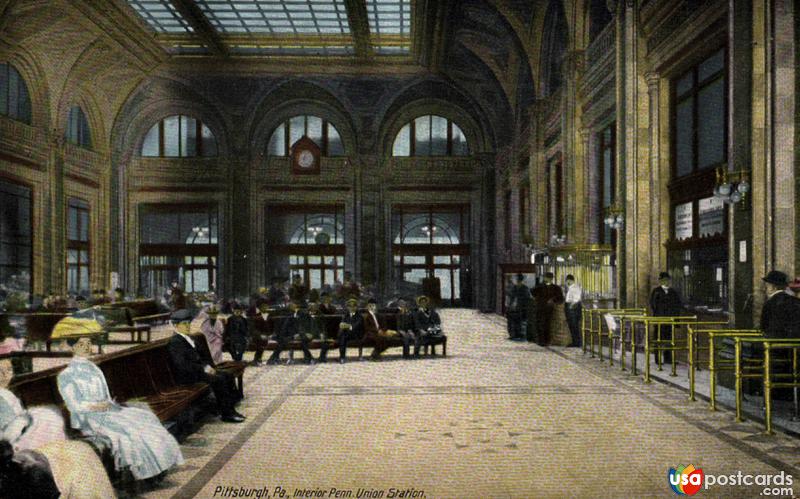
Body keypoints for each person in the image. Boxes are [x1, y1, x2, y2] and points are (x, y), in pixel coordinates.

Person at [56, 335, 184, 481]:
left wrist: (109, 403)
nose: (86, 347)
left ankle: (158, 467)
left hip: (107, 410)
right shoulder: (66, 375)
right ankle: (143, 472)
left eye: (89, 343)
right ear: (72, 348)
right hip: (89, 418)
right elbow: (74, 406)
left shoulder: (94, 368)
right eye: (81, 344)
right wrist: (97, 406)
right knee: (128, 430)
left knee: (145, 417)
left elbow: (105, 395)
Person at [167, 320, 245, 423]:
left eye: (188, 323)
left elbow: (202, 356)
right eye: (184, 324)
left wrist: (209, 367)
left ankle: (228, 406)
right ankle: (227, 414)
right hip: (188, 376)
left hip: (198, 372)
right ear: (176, 326)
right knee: (219, 380)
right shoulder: (175, 342)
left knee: (227, 374)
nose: (187, 326)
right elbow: (182, 365)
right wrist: (203, 369)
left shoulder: (188, 338)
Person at [0, 359, 67, 451]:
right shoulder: (1, 395)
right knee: (48, 416)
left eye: (9, 370)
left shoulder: (5, 392)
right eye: (0, 371)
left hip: (16, 430)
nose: (5, 375)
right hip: (9, 440)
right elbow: (7, 432)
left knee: (49, 413)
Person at [649, 271, 683, 363]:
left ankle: (668, 359)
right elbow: (653, 305)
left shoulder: (673, 292)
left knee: (669, 339)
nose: (665, 282)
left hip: (669, 320)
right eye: (663, 280)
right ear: (660, 281)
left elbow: (678, 305)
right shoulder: (656, 292)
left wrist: (675, 319)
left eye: (667, 280)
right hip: (660, 320)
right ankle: (657, 359)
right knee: (658, 339)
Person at [760, 270, 800, 339]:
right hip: (794, 344)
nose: (765, 288)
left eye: (767, 285)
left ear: (773, 286)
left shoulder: (769, 303)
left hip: (773, 343)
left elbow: (763, 326)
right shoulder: (796, 301)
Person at [532, 272, 564, 346]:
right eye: (545, 277)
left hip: (549, 309)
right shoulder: (540, 286)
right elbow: (533, 292)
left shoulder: (556, 288)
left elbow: (560, 298)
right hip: (540, 308)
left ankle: (546, 340)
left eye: (547, 278)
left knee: (547, 324)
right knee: (539, 324)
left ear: (551, 279)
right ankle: (540, 340)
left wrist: (553, 300)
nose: (546, 279)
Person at [337, 298, 364, 363]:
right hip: (347, 334)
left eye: (353, 306)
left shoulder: (359, 316)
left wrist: (347, 326)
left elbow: (356, 326)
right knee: (342, 336)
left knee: (342, 336)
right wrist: (343, 325)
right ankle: (342, 357)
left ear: (356, 307)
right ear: (348, 307)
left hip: (357, 334)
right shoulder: (346, 315)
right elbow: (342, 324)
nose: (352, 308)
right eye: (350, 306)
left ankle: (342, 357)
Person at [506, 274, 532, 342]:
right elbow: (510, 297)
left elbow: (526, 299)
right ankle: (514, 335)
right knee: (513, 321)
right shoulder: (515, 288)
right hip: (514, 308)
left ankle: (518, 335)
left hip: (520, 308)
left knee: (519, 322)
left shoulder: (523, 288)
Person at [249, 301, 273, 366]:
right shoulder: (256, 316)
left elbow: (274, 327)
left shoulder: (271, 316)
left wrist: (271, 334)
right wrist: (260, 335)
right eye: (263, 306)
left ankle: (258, 359)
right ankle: (257, 359)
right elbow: (253, 329)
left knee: (263, 342)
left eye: (266, 306)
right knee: (260, 342)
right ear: (259, 308)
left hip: (269, 335)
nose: (265, 308)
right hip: (258, 336)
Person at [564, 274, 583, 347]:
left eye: (568, 281)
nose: (567, 283)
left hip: (573, 309)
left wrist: (571, 306)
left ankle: (576, 342)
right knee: (572, 326)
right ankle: (575, 342)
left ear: (571, 280)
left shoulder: (575, 287)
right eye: (566, 281)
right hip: (571, 308)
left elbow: (577, 299)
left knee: (574, 326)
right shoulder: (571, 288)